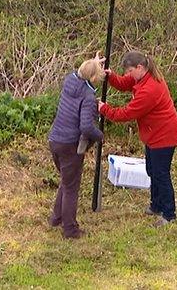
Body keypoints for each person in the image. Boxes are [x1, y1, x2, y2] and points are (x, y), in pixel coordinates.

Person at [100, 51, 177, 227]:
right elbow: (123, 84)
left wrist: (104, 109)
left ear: (139, 67)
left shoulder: (150, 89)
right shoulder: (140, 77)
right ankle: (156, 205)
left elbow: (126, 113)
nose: (127, 75)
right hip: (153, 134)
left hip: (165, 135)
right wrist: (111, 76)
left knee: (161, 174)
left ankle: (169, 213)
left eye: (129, 71)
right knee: (152, 170)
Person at [47, 53, 105, 239]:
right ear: (94, 78)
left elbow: (83, 72)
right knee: (71, 187)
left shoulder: (69, 80)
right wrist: (100, 136)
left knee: (66, 180)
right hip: (70, 145)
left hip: (55, 140)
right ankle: (70, 230)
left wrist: (93, 63)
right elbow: (86, 127)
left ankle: (56, 219)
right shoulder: (88, 96)